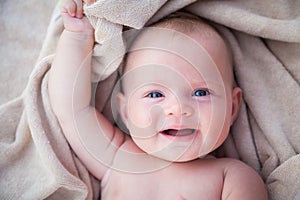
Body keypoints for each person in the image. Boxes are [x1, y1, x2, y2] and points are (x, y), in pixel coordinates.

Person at [49, 0, 268, 199]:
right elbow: (70, 108)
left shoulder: (231, 178)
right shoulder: (117, 158)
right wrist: (78, 35)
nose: (178, 109)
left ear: (232, 108)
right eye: (155, 95)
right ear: (125, 112)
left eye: (201, 93)